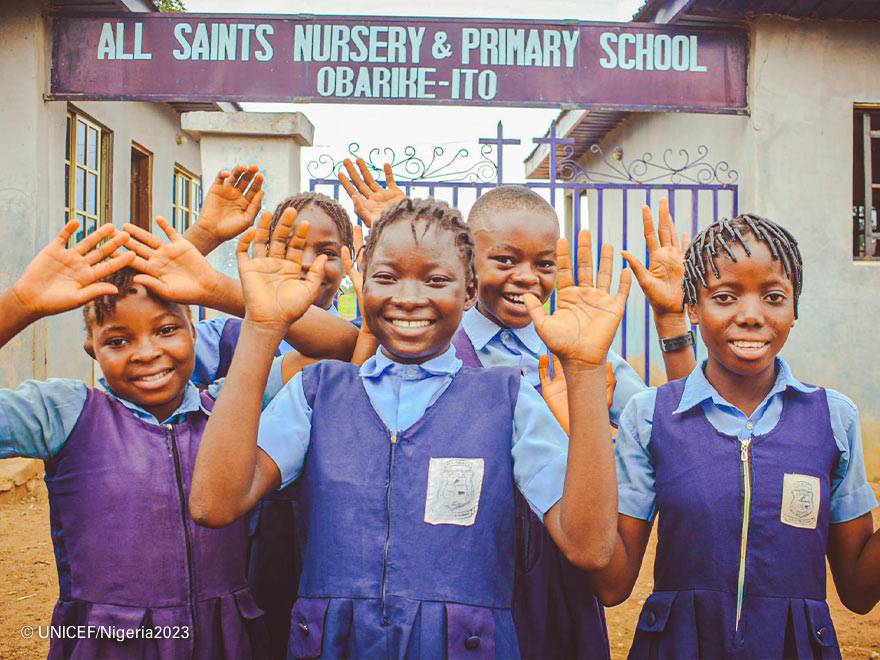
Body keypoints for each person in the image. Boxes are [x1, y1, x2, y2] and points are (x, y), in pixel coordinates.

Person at [190, 198, 630, 658]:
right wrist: (262, 327)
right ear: (362, 284)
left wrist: (584, 369)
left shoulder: (507, 399)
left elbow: (589, 548)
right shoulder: (318, 393)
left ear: (469, 292)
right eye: (386, 277)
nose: (409, 297)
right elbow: (214, 504)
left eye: (436, 280)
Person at [591, 214, 880, 658]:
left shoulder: (833, 418)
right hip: (678, 647)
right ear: (692, 308)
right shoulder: (649, 416)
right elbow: (612, 584)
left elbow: (859, 591)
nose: (750, 315)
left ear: (795, 309)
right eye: (725, 297)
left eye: (774, 297)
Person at [0, 221, 270, 658]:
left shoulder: (231, 408)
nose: (146, 352)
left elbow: (340, 346)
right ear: (92, 349)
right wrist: (21, 304)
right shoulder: (65, 413)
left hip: (225, 640)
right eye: (118, 340)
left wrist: (225, 292)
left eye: (166, 330)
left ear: (194, 331)